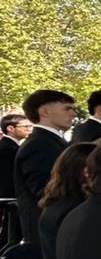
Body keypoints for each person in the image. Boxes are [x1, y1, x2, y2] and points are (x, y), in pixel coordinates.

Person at [14, 89, 74, 247]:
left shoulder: (50, 141)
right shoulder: (40, 144)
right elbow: (45, 191)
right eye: (67, 108)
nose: (73, 114)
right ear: (44, 111)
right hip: (52, 226)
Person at [0, 114, 31, 202]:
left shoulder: (8, 146)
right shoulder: (8, 149)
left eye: (30, 126)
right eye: (26, 126)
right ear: (10, 129)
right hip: (9, 197)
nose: (29, 129)